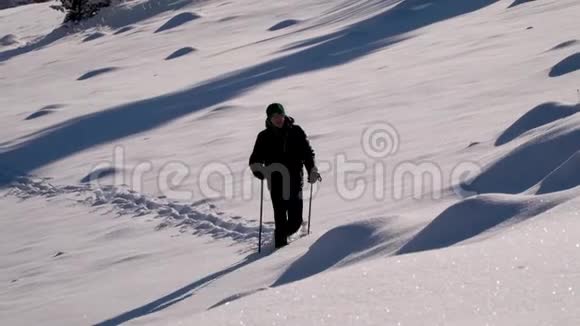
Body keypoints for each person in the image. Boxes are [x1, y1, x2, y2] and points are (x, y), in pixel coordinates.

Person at [249, 103, 321, 248]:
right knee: (280, 218)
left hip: (295, 181)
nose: (278, 119)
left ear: (284, 115)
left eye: (280, 115)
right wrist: (260, 172)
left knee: (296, 221)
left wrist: (312, 169)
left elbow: (307, 153)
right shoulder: (264, 136)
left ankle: (280, 236)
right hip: (275, 182)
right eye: (274, 116)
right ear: (269, 118)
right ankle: (279, 247)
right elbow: (254, 160)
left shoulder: (296, 131)